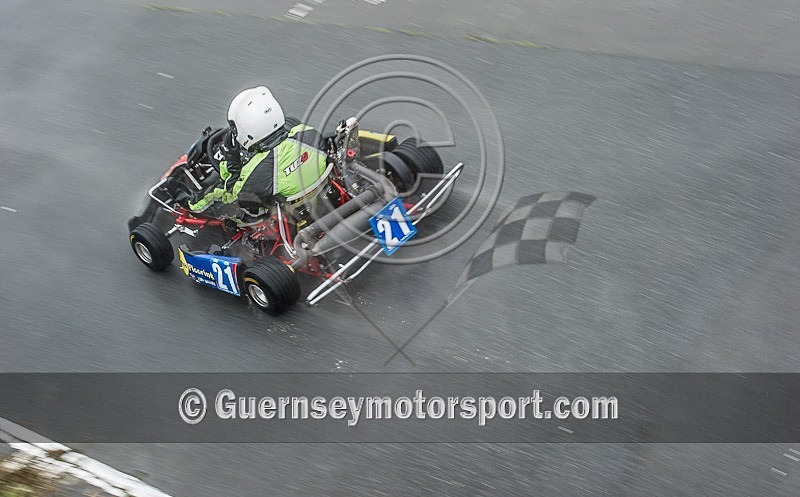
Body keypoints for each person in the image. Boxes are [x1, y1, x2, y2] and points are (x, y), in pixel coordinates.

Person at [188, 86, 330, 218]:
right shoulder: (310, 135)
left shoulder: (257, 173)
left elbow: (230, 195)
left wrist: (232, 161)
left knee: (237, 209)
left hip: (286, 217)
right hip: (323, 197)